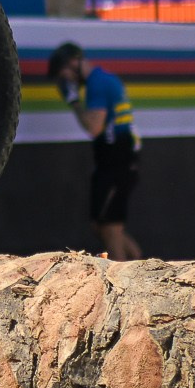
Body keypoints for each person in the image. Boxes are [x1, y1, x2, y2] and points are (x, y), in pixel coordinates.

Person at [47, 42, 143, 261]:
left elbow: (94, 127)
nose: (67, 81)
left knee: (110, 227)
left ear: (74, 63)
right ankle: (137, 260)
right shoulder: (102, 80)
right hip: (114, 160)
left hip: (117, 160)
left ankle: (123, 283)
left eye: (64, 76)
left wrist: (74, 102)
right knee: (100, 225)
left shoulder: (97, 83)